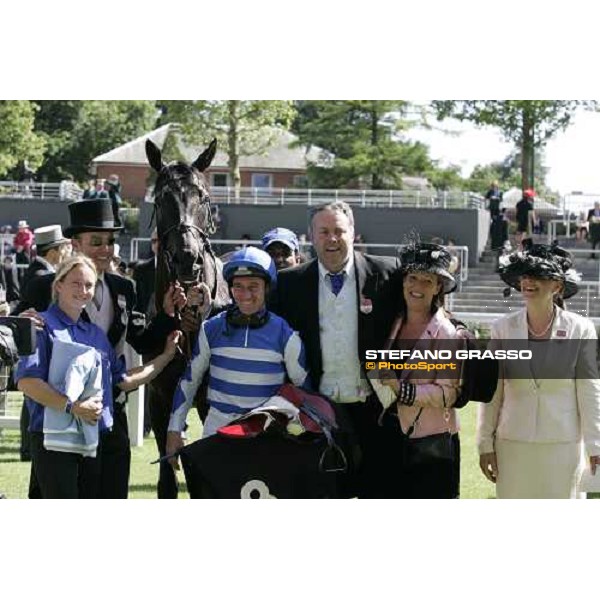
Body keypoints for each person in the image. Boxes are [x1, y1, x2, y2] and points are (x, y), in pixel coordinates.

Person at [14, 199, 178, 498]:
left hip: (107, 408)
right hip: (55, 417)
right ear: (75, 243)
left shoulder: (124, 288)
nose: (106, 248)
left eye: (111, 241)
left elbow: (140, 341)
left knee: (110, 490)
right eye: (96, 241)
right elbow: (17, 337)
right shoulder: (45, 287)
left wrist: (167, 317)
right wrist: (22, 321)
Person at [269, 200, 400, 497]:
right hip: (318, 414)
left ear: (353, 233)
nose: (332, 239)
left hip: (375, 411)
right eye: (324, 231)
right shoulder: (289, 284)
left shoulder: (388, 274)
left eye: (339, 230)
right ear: (311, 236)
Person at [166, 246, 310, 467]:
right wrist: (174, 429)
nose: (245, 295)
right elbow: (190, 380)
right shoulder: (211, 329)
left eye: (254, 287)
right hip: (216, 432)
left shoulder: (285, 334)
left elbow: (304, 391)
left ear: (267, 288)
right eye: (238, 287)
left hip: (266, 436)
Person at [477, 240, 600, 498]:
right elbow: (490, 391)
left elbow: (589, 390)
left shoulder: (581, 328)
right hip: (512, 445)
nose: (529, 281)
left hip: (562, 446)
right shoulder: (502, 329)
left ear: (557, 286)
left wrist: (595, 444)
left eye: (538, 275)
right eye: (525, 275)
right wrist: (484, 443)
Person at [369, 242, 467, 498]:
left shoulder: (446, 332)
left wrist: (402, 389)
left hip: (431, 445)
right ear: (403, 282)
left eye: (427, 281)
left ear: (438, 288)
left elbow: (449, 395)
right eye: (412, 278)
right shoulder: (393, 322)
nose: (417, 286)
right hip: (390, 439)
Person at [19, 224, 72, 461]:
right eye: (64, 248)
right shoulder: (44, 277)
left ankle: (28, 447)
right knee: (34, 396)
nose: (67, 253)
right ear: (53, 252)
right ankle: (29, 447)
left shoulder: (36, 271)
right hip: (41, 349)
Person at [13, 220, 34, 284]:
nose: (20, 229)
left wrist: (22, 246)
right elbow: (15, 241)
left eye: (21, 227)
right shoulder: (18, 234)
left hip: (26, 252)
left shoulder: (29, 233)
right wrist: (17, 247)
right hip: (19, 252)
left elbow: (29, 242)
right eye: (19, 228)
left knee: (26, 267)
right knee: (18, 267)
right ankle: (19, 281)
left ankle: (27, 280)